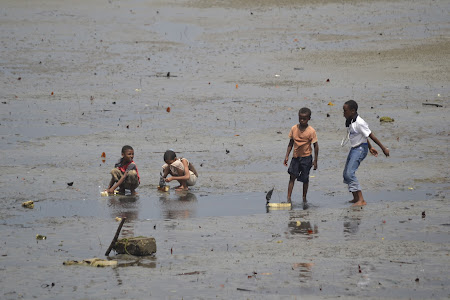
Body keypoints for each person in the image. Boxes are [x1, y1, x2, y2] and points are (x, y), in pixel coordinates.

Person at [342, 100, 389, 206]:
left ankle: (361, 200)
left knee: (350, 173)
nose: (343, 113)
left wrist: (383, 148)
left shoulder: (360, 122)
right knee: (346, 174)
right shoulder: (350, 120)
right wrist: (370, 147)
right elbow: (362, 136)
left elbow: (371, 135)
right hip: (354, 148)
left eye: (345, 111)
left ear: (353, 111)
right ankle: (355, 198)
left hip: (360, 150)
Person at [284, 107, 319, 204]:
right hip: (295, 157)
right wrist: (287, 156)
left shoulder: (311, 131)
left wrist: (315, 161)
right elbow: (291, 143)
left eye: (304, 118)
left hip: (306, 158)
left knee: (305, 178)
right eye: (300, 118)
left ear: (309, 119)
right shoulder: (294, 128)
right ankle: (288, 197)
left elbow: (315, 146)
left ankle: (304, 197)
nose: (302, 120)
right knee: (292, 176)